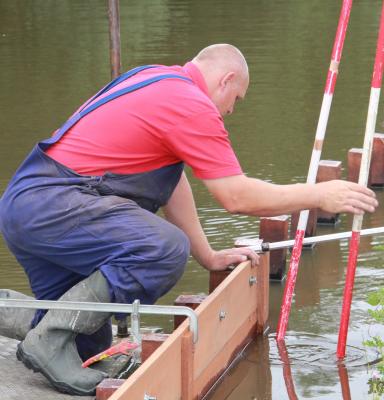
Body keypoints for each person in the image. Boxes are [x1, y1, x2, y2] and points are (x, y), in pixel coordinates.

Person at [0, 44, 378, 395]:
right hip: (57, 204)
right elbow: (236, 196)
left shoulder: (154, 77)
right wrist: (319, 194)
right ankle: (48, 338)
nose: (231, 110)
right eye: (236, 99)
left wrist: (208, 255)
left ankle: (29, 322)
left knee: (87, 344)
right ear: (226, 80)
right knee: (162, 250)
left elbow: (171, 179)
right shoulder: (189, 103)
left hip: (27, 204)